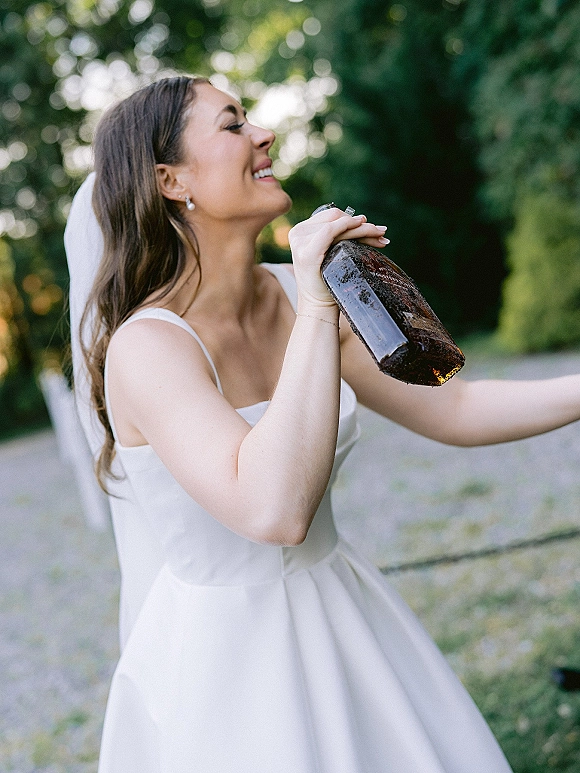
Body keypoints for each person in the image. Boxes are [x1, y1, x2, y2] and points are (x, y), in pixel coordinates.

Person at [66, 74, 580, 773]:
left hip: (344, 611)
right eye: (232, 123)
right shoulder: (147, 347)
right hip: (230, 669)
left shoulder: (295, 292)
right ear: (170, 179)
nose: (263, 134)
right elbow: (273, 509)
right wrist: (315, 302)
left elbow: (455, 407)